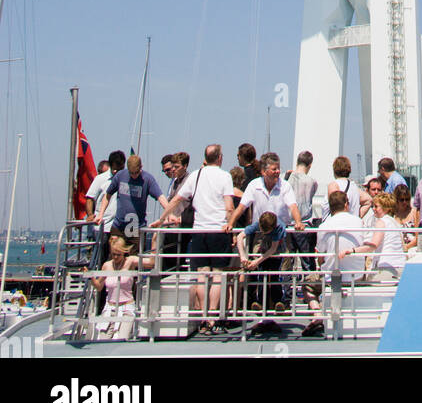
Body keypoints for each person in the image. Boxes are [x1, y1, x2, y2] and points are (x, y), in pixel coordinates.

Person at [155, 143, 235, 334]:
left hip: (199, 230)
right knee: (217, 275)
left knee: (201, 274)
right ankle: (212, 318)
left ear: (205, 158)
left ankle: (203, 316)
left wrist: (161, 219)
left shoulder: (196, 176)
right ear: (220, 158)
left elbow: (176, 200)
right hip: (218, 230)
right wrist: (230, 224)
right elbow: (229, 206)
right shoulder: (225, 176)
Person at [303, 190, 366, 334]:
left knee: (307, 285)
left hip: (331, 278)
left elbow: (320, 257)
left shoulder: (324, 226)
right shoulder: (358, 221)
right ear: (346, 204)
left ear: (330, 207)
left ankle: (317, 315)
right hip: (356, 275)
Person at [92, 233, 153, 341]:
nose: (115, 257)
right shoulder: (107, 266)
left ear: (124, 252)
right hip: (109, 308)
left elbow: (151, 263)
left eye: (118, 255)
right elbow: (99, 286)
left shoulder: (130, 261)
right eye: (113, 254)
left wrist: (154, 240)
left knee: (122, 339)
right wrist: (90, 278)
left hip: (126, 308)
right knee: (102, 341)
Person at [96, 154, 169, 243]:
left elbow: (160, 197)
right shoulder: (120, 176)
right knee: (115, 255)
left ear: (141, 167)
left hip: (135, 227)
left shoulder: (147, 179)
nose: (134, 175)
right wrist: (101, 214)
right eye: (131, 173)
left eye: (136, 173)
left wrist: (170, 212)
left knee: (133, 256)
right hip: (119, 226)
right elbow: (107, 195)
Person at [227, 152, 302, 234]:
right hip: (260, 232)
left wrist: (298, 222)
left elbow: (293, 206)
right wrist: (230, 224)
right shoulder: (254, 185)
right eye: (274, 169)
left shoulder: (285, 186)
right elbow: (241, 207)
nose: (278, 171)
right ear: (263, 172)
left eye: (279, 169)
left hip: (281, 232)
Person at [236, 210, 287, 312]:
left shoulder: (279, 227)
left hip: (276, 252)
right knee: (261, 275)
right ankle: (260, 302)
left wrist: (256, 262)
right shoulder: (259, 224)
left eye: (265, 232)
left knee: (274, 275)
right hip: (263, 250)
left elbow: (273, 249)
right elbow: (240, 236)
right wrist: (242, 256)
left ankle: (278, 301)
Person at [351, 191, 406, 279]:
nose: (373, 209)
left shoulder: (381, 222)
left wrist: (352, 251)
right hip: (400, 267)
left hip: (386, 268)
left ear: (386, 208)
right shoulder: (394, 222)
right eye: (373, 206)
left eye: (376, 206)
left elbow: (373, 246)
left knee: (365, 282)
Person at [86, 150, 125, 265]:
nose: (116, 171)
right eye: (115, 168)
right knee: (100, 257)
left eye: (120, 169)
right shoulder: (100, 179)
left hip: (118, 226)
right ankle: (97, 280)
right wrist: (90, 215)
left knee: (118, 255)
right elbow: (89, 198)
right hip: (103, 226)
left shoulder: (125, 178)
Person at [286, 150, 317, 268]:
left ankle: (286, 285)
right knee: (308, 260)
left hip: (289, 224)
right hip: (305, 225)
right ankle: (309, 284)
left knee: (288, 261)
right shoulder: (312, 181)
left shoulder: (287, 180)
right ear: (310, 165)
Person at [392, 184, 418, 254]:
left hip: (412, 249)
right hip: (395, 249)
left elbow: (417, 237)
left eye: (407, 199)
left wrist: (406, 247)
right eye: (402, 200)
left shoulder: (414, 213)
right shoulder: (392, 214)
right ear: (396, 199)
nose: (404, 202)